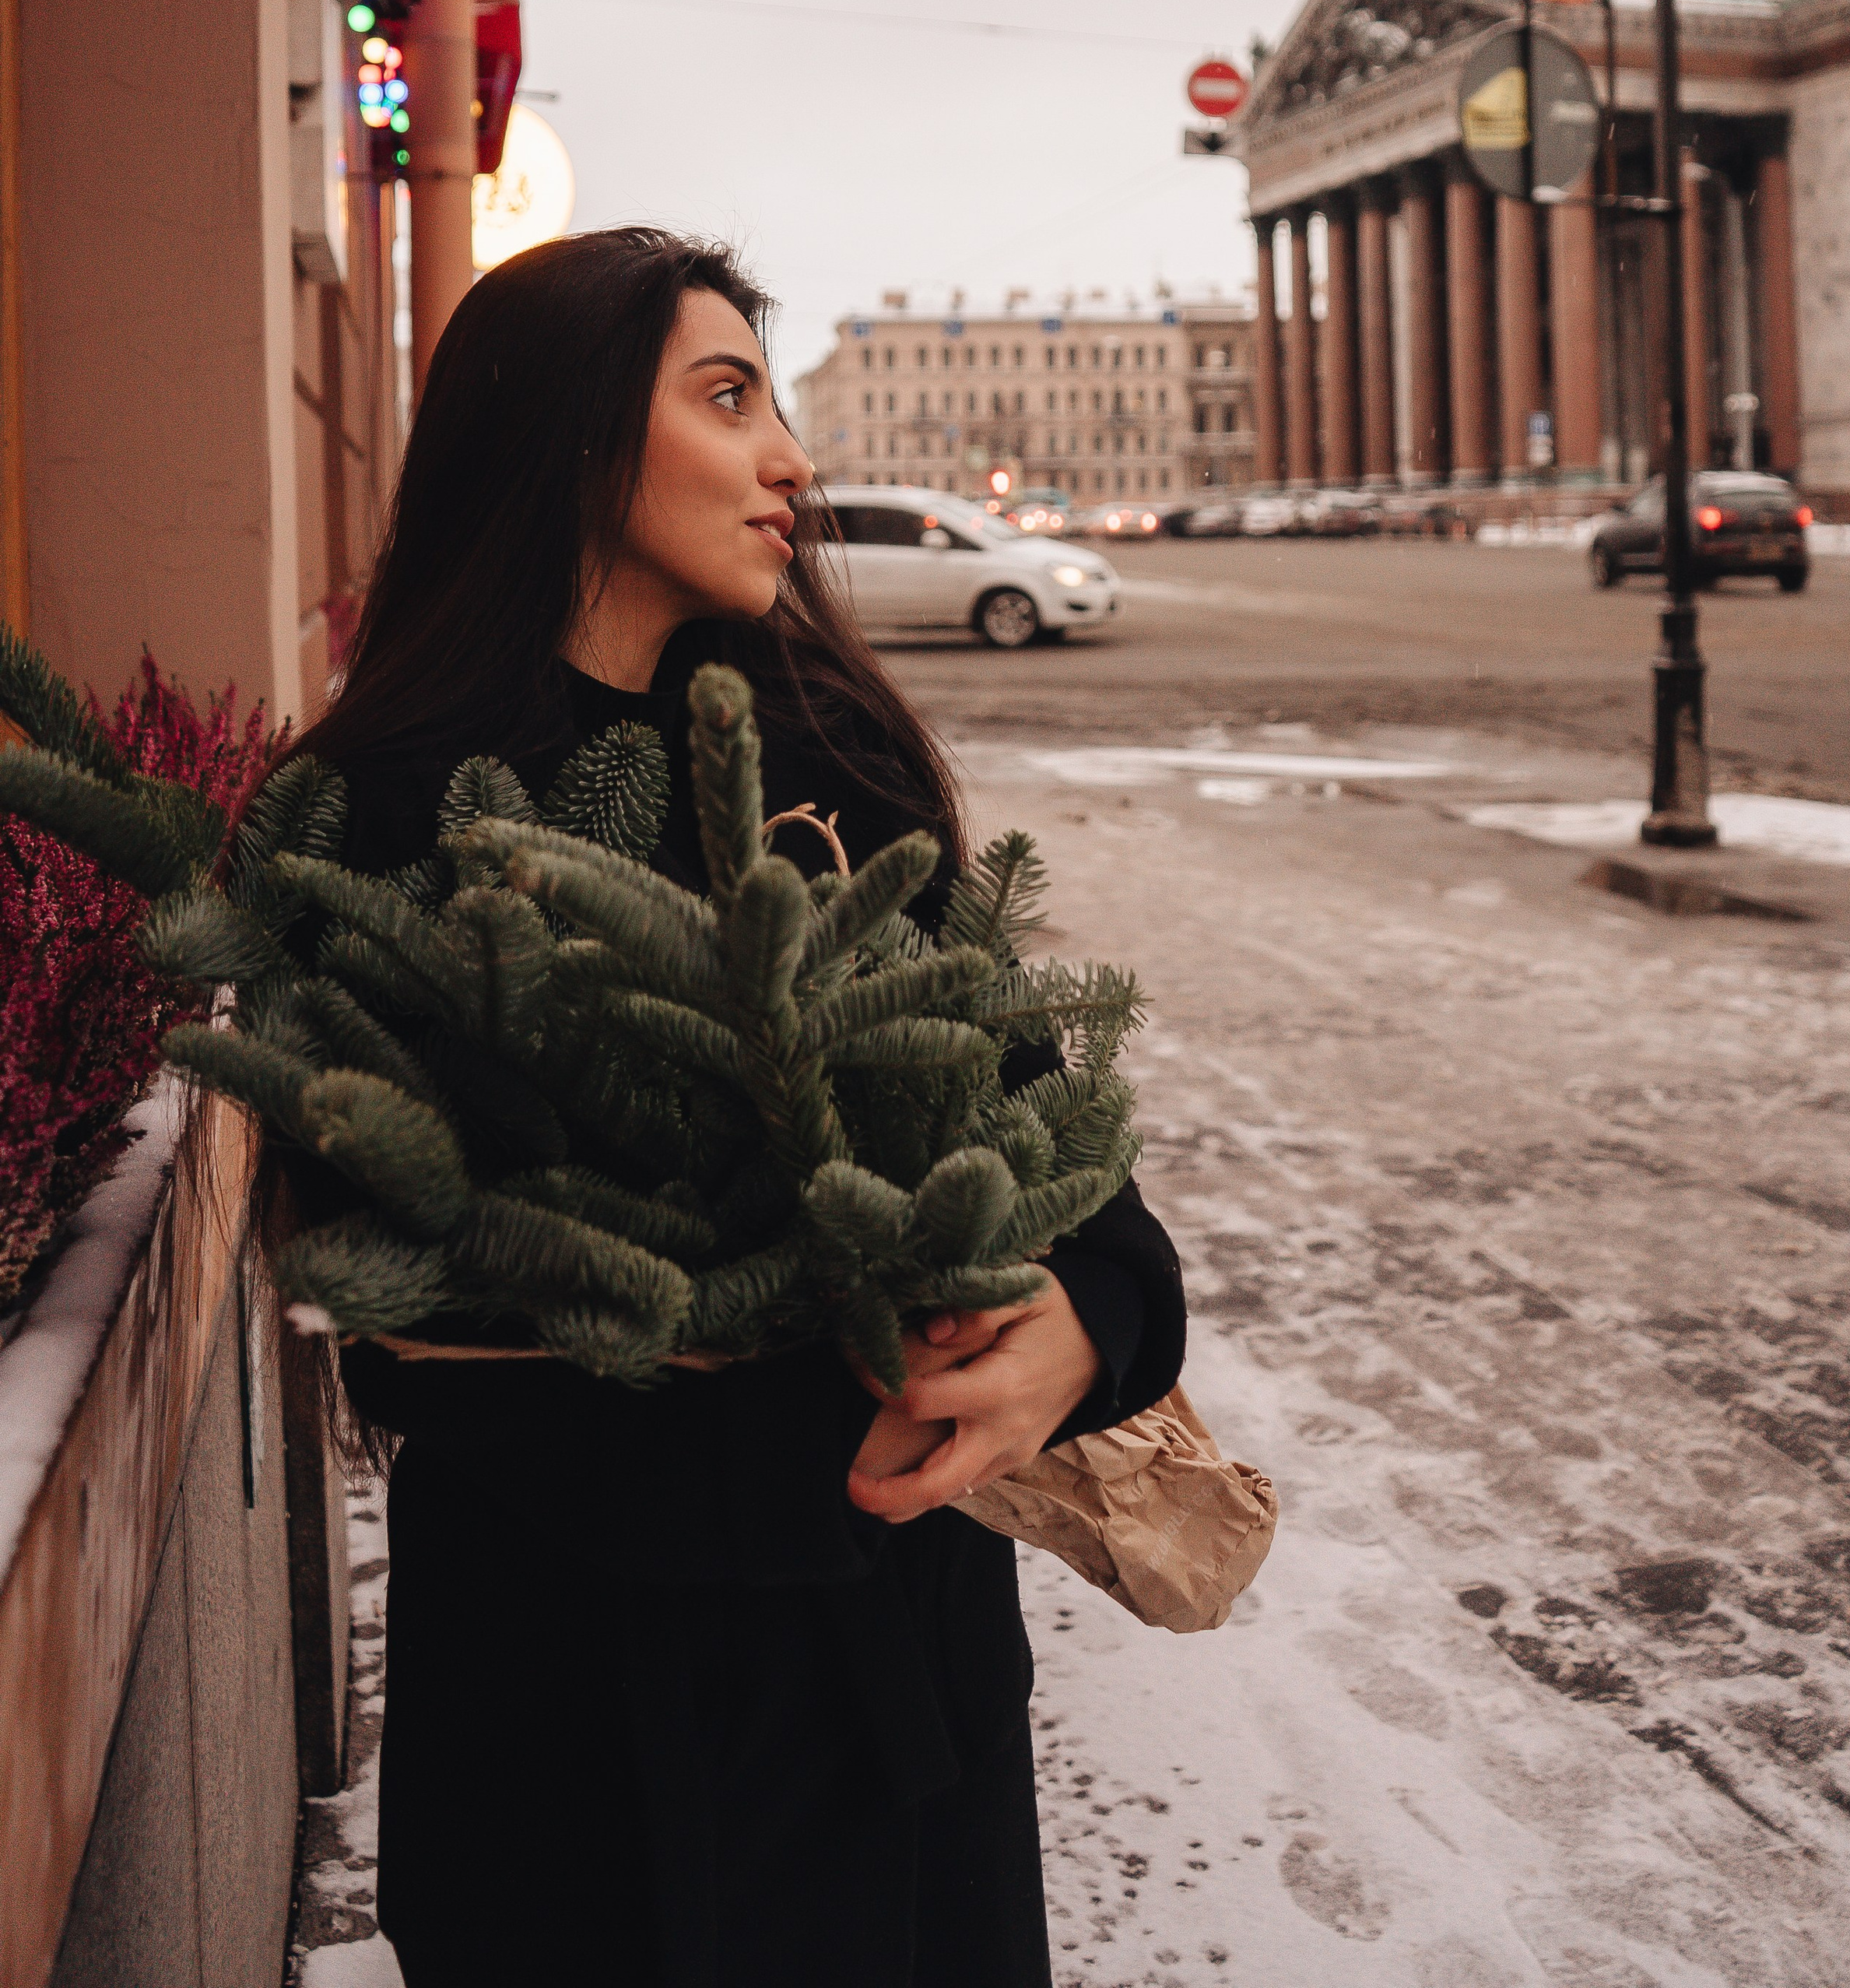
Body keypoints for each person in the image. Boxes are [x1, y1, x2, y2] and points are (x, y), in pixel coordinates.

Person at [293, 226, 1186, 1988]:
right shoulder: (386, 812)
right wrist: (799, 1439)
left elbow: (1057, 1149)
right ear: (563, 438)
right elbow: (417, 1317)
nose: (791, 456)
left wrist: (1088, 1326)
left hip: (899, 1703)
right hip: (585, 1740)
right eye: (726, 397)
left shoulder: (832, 766)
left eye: (774, 400)